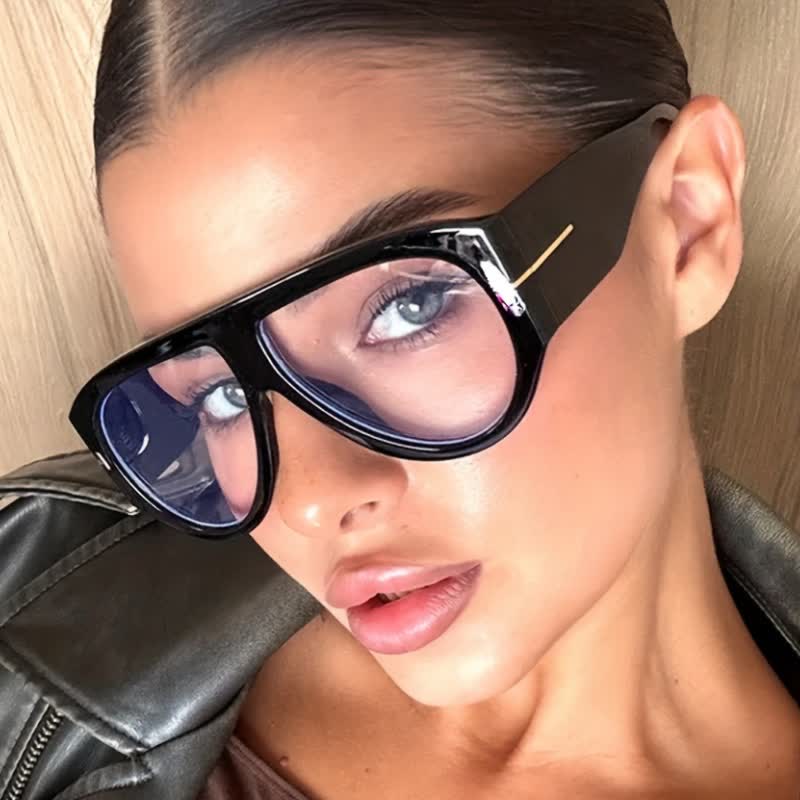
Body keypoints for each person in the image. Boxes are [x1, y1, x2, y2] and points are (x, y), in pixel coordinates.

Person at [1, 1, 799, 798]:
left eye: (408, 307)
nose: (308, 502)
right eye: (217, 392)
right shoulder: (28, 591)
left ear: (687, 219)